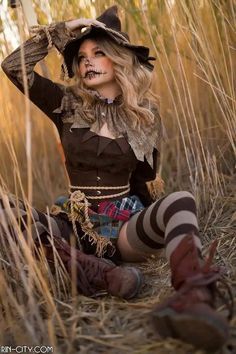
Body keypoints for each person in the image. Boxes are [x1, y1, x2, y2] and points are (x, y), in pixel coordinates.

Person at [1, 5, 231, 351]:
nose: (87, 62)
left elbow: (145, 180)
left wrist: (155, 224)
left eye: (98, 53)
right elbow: (12, 67)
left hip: (123, 229)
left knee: (182, 200)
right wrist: (64, 28)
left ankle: (194, 297)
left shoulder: (145, 117)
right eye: (80, 57)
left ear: (119, 60)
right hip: (73, 228)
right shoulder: (65, 103)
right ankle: (101, 275)